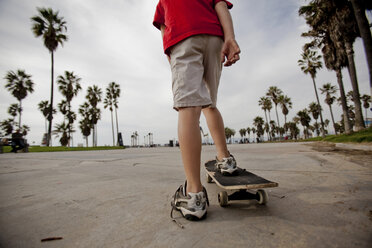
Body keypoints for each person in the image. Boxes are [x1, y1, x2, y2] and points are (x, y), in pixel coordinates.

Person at [153, 0, 241, 221]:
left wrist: (169, 52)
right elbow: (220, 6)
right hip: (214, 38)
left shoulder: (163, 2)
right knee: (210, 103)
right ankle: (225, 160)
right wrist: (229, 38)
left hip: (183, 39)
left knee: (188, 108)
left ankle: (193, 194)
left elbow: (164, 28)